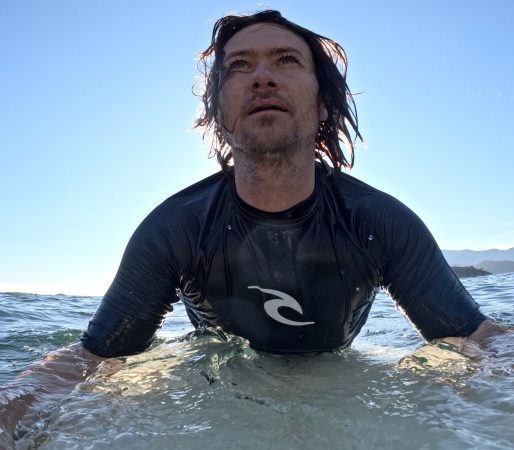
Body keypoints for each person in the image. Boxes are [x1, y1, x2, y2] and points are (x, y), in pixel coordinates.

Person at [0, 9, 509, 447]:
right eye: (239, 67)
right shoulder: (176, 228)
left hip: (341, 378)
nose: (262, 77)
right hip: (217, 386)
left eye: (286, 60)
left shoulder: (378, 222)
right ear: (218, 115)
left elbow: (477, 338)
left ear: (324, 103)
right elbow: (92, 357)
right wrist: (10, 414)